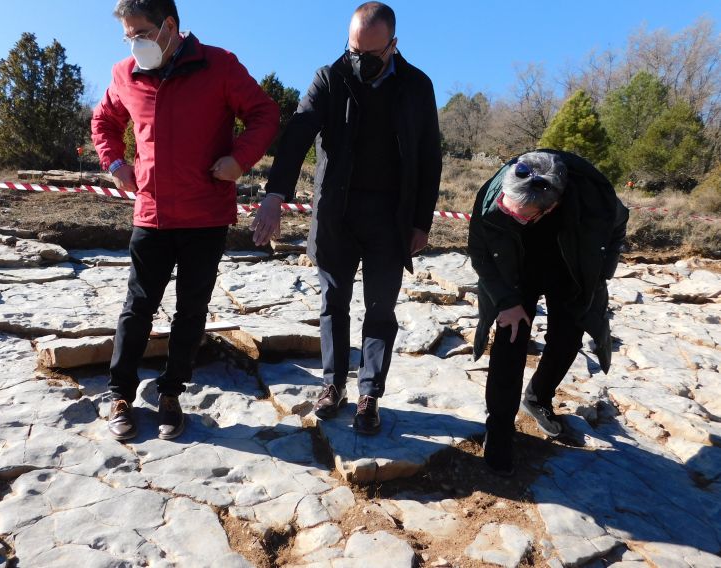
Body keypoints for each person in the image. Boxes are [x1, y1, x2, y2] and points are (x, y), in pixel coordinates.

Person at [92, 0, 279, 441]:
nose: (133, 43)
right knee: (137, 308)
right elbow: (104, 120)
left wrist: (239, 160)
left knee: (191, 311)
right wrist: (115, 164)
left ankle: (171, 394)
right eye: (127, 36)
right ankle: (120, 394)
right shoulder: (125, 73)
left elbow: (264, 114)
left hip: (205, 216)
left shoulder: (219, 65)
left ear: (169, 26)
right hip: (151, 215)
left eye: (140, 32)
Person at [257, 2, 441, 435]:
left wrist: (421, 222)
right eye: (353, 50)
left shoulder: (417, 86)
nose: (359, 62)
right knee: (332, 303)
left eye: (370, 55)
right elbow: (297, 133)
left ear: (393, 46)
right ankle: (332, 385)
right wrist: (275, 194)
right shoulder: (330, 76)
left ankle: (369, 395)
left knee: (380, 309)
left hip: (390, 218)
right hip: (335, 213)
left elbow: (430, 159)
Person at [468, 150, 629, 476]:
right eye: (507, 208)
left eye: (523, 215)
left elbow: (618, 227)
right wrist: (504, 301)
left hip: (568, 271)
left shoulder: (593, 197)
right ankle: (499, 429)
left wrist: (602, 274)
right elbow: (480, 252)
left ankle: (538, 397)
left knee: (567, 340)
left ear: (550, 207)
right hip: (516, 272)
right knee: (510, 340)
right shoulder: (491, 196)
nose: (511, 214)